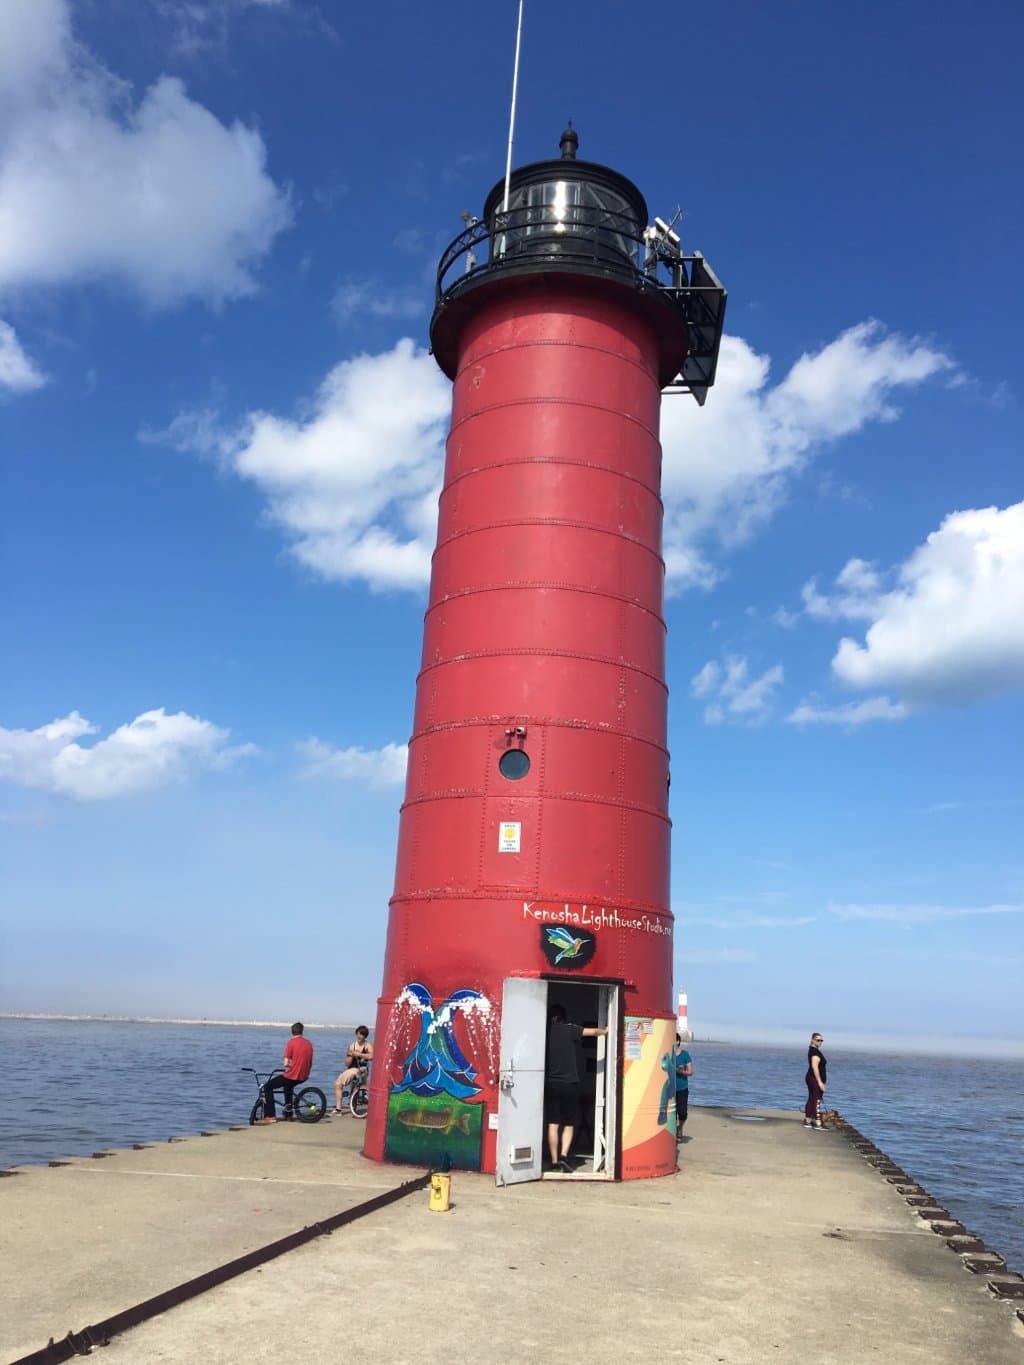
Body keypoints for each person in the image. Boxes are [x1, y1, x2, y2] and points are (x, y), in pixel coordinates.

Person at [545, 1003, 607, 1173]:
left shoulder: (545, 1032)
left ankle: (554, 1161)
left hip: (551, 1084)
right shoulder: (570, 1029)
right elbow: (593, 1032)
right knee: (569, 1123)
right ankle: (564, 1156)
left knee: (553, 1124)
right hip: (570, 1084)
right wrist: (606, 1030)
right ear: (564, 1017)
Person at [261, 1021, 313, 1122]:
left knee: (267, 1087)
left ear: (292, 1032)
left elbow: (285, 1063)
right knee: (288, 1087)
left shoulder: (291, 1042)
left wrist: (290, 1065)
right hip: (304, 1075)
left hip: (293, 1075)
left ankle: (271, 1115)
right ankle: (288, 1114)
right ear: (302, 1031)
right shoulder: (308, 1043)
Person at [332, 1025, 373, 1113]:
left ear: (365, 1036)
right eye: (358, 1034)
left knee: (358, 1081)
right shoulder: (352, 1046)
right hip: (351, 1069)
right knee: (338, 1085)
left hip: (362, 1069)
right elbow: (347, 1063)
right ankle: (339, 1109)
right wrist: (351, 1055)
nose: (359, 1036)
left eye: (362, 1034)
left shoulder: (368, 1045)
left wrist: (359, 1054)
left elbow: (372, 1056)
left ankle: (363, 1097)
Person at [804, 1031, 827, 1129]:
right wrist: (820, 1082)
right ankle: (818, 1123)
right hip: (814, 1078)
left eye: (821, 1040)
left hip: (811, 1078)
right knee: (817, 1100)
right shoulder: (814, 1052)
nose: (820, 1042)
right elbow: (815, 1067)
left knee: (812, 1098)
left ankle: (808, 1121)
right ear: (813, 1040)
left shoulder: (813, 1050)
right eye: (818, 1040)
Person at [674, 1033, 693, 1139]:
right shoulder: (668, 1054)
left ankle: (680, 1127)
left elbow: (690, 1072)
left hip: (682, 1088)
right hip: (670, 1089)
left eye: (673, 1040)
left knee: (682, 1113)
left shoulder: (685, 1054)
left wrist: (681, 1071)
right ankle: (673, 1134)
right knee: (672, 1113)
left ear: (678, 1041)